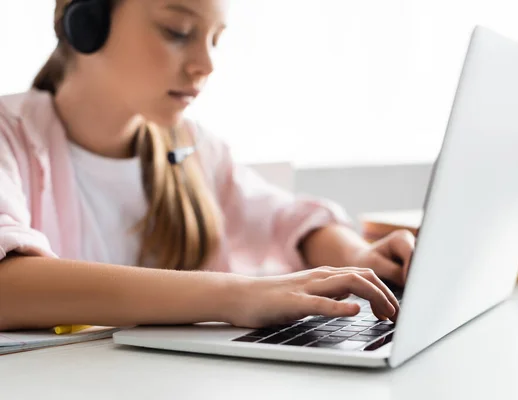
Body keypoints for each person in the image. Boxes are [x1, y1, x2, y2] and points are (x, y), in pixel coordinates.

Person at [0, 0, 415, 332]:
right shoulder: (10, 134)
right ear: (87, 22)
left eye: (215, 39)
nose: (207, 64)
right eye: (178, 32)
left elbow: (287, 221)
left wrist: (358, 256)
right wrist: (237, 295)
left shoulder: (197, 149)